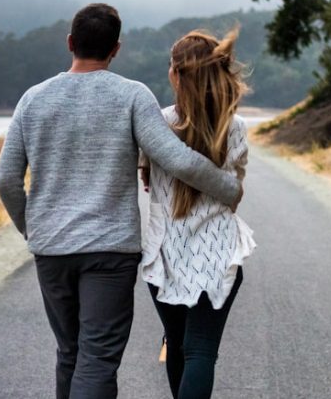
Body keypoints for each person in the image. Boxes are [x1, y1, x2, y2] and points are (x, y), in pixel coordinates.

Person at [0, 4, 243, 399]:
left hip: (51, 251)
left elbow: (6, 179)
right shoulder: (132, 96)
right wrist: (230, 189)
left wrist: (32, 227)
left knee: (69, 353)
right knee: (97, 358)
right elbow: (176, 158)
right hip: (110, 253)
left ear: (71, 43)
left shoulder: (32, 99)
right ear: (116, 49)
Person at [139, 27, 256, 399]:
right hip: (218, 254)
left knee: (176, 345)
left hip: (165, 256)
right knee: (201, 350)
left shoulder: (156, 123)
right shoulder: (233, 127)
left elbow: (145, 180)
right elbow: (234, 191)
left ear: (175, 74)